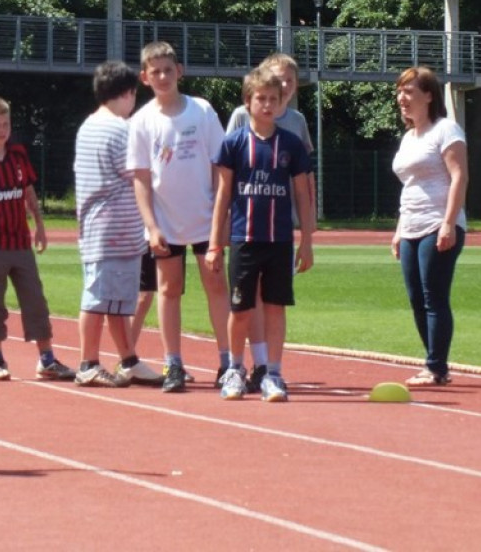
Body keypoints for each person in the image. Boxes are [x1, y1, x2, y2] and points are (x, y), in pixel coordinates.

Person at [127, 41, 230, 392]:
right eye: (155, 71)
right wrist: (151, 225)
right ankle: (173, 363)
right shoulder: (141, 121)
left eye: (168, 70)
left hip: (204, 218)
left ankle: (228, 362)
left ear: (179, 71)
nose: (162, 77)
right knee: (168, 290)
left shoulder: (201, 111)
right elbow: (141, 178)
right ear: (145, 77)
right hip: (165, 223)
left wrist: (220, 217)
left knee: (216, 286)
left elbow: (220, 165)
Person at [209, 67, 314, 402]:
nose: (267, 105)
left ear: (282, 102)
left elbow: (303, 195)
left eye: (273, 99)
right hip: (245, 239)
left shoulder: (291, 144)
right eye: (261, 99)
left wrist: (307, 241)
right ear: (248, 101)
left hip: (279, 241)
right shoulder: (234, 143)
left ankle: (273, 372)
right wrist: (214, 244)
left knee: (275, 307)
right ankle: (234, 369)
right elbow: (223, 195)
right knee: (240, 309)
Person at [0, 95, 75, 385]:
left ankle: (47, 359)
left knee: (35, 301)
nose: (1, 130)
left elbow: (29, 192)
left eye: (5, 124)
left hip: (20, 244)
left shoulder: (18, 156)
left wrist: (40, 226)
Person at [73, 61, 162, 387]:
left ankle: (129, 360)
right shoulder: (120, 129)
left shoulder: (88, 125)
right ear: (127, 93)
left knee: (115, 302)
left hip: (103, 228)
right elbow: (140, 174)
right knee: (98, 299)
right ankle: (88, 363)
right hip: (113, 229)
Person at [390, 66, 467, 387]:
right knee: (416, 299)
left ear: (429, 95)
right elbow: (410, 186)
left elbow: (459, 176)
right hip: (411, 224)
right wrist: (399, 230)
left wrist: (448, 223)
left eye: (409, 92)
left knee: (433, 295)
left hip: (438, 222)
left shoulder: (446, 129)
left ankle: (436, 367)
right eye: (399, 92)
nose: (402, 98)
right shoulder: (409, 138)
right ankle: (434, 363)